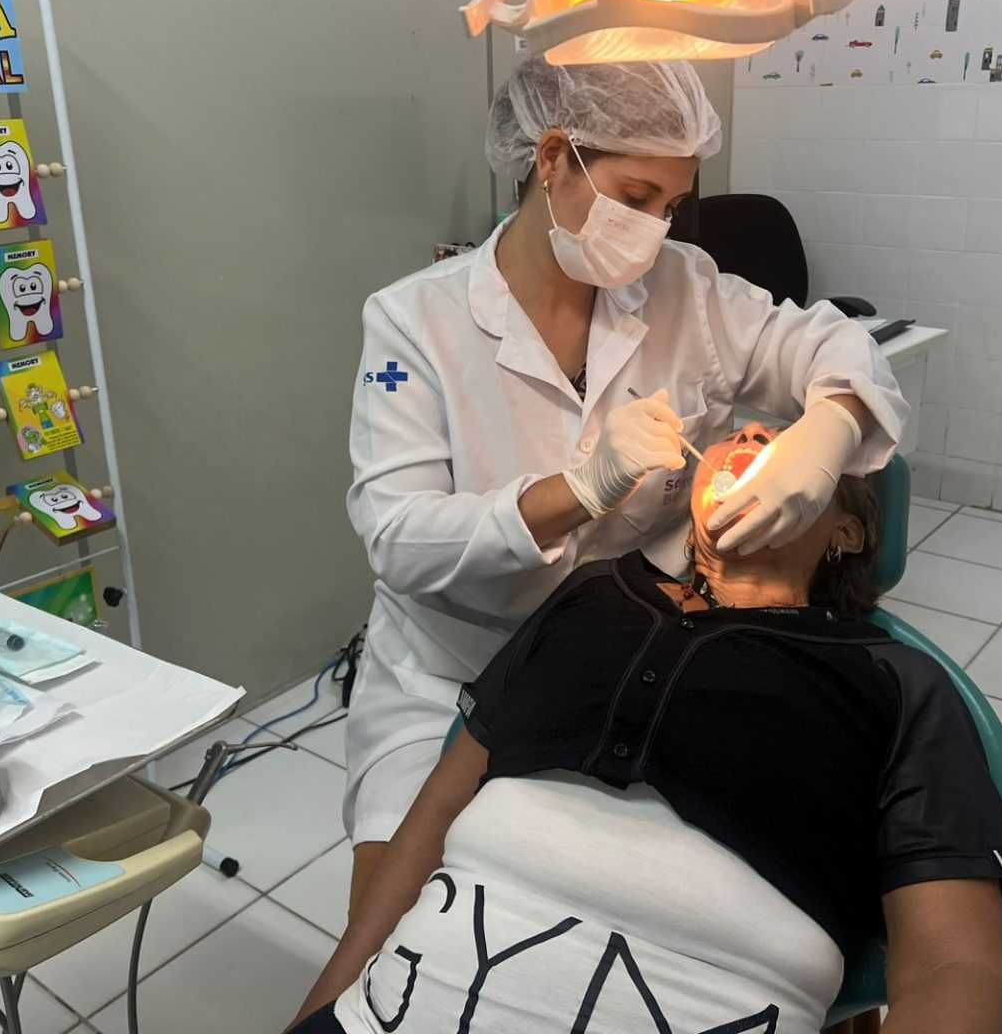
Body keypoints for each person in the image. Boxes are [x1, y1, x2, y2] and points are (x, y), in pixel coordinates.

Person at [346, 54, 910, 912]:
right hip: (452, 665)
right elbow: (397, 536)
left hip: (621, 655)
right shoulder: (414, 321)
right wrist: (580, 488)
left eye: (673, 205)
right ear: (552, 158)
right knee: (394, 910)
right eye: (636, 197)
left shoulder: (684, 285)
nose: (654, 230)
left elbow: (834, 344)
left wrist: (831, 425)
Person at [295, 425, 1002, 1033]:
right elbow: (436, 809)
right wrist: (322, 1010)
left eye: (786, 444)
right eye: (738, 435)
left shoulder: (897, 680)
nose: (752, 435)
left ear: (847, 528)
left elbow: (956, 971)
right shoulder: (592, 596)